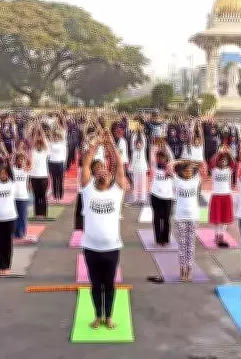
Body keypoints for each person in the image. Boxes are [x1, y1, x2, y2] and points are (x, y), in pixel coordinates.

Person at [79, 130, 129, 330]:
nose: (103, 173)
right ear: (94, 175)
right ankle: (97, 316)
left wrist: (111, 145)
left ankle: (108, 317)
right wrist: (97, 143)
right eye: (99, 171)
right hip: (91, 248)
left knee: (109, 285)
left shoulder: (117, 192)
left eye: (106, 172)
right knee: (95, 285)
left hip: (111, 249)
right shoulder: (87, 190)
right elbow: (85, 164)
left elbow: (120, 166)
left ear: (110, 177)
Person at [172, 158, 206, 282]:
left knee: (190, 245)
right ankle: (182, 269)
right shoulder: (177, 180)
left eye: (190, 171)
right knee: (182, 245)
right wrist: (182, 161)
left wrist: (190, 162)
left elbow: (202, 165)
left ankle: (190, 269)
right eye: (185, 171)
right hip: (180, 217)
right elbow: (169, 166)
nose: (188, 173)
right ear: (181, 172)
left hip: (193, 217)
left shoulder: (196, 180)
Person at [0, 163, 17, 274]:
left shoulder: (12, 183)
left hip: (10, 218)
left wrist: (7, 160)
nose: (3, 175)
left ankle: (6, 266)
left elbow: (11, 172)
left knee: (7, 242)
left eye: (5, 173)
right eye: (1, 173)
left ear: (8, 174)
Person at [149, 140, 174, 246]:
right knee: (157, 218)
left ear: (166, 158)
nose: (160, 159)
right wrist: (156, 145)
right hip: (155, 195)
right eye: (158, 157)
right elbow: (152, 154)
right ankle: (158, 239)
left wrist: (166, 146)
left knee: (166, 218)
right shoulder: (154, 166)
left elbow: (172, 157)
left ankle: (165, 239)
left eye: (162, 157)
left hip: (167, 197)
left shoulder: (170, 167)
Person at [208, 147, 235, 247]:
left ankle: (221, 235)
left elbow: (234, 164)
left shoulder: (229, 170)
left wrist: (229, 153)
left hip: (226, 196)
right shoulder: (214, 170)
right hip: (216, 196)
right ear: (218, 161)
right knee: (217, 219)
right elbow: (211, 162)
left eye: (225, 160)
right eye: (221, 160)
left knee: (225, 219)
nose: (223, 162)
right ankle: (217, 235)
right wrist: (218, 152)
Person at [12, 152, 32, 240]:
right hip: (13, 197)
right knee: (15, 216)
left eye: (22, 159)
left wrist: (25, 157)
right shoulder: (12, 170)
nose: (20, 161)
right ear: (16, 160)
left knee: (23, 216)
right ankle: (15, 233)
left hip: (23, 196)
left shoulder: (26, 170)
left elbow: (30, 164)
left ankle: (22, 233)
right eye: (19, 159)